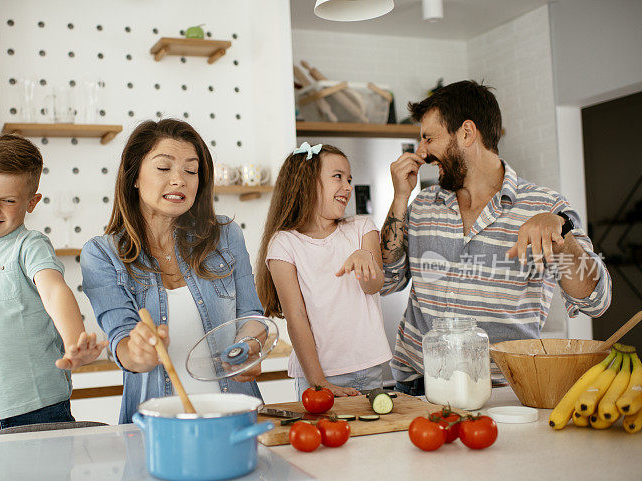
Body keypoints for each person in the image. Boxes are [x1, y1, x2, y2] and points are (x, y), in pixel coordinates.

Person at [380, 80, 612, 395]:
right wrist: (399, 199)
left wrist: (561, 236)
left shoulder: (544, 206)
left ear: (466, 133)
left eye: (428, 138)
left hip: (502, 392)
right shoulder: (422, 204)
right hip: (417, 387)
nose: (421, 152)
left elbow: (596, 301)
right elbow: (388, 279)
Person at [77, 119, 265, 424]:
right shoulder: (102, 254)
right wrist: (138, 351)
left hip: (236, 415)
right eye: (164, 168)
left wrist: (250, 346)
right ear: (134, 176)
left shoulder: (225, 234)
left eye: (191, 171)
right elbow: (122, 344)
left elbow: (252, 316)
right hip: (155, 426)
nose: (179, 179)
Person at [0, 134, 107, 436]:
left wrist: (74, 340)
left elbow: (54, 290)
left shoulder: (30, 245)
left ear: (31, 202)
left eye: (8, 200)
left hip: (39, 408)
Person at [257, 142, 393, 399]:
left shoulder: (362, 227)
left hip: (368, 367)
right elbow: (296, 317)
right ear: (306, 183)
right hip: (316, 374)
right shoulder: (284, 243)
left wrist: (366, 259)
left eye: (350, 179)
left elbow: (373, 287)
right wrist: (319, 382)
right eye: (338, 177)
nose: (348, 187)